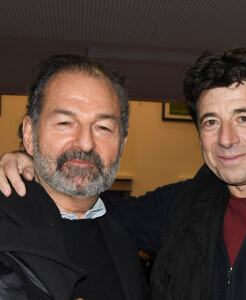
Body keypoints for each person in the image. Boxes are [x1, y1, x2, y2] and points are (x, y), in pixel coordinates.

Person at [1, 47, 246, 299]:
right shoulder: (182, 206)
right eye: (211, 122)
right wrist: (28, 162)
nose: (225, 138)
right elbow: (81, 206)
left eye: (243, 118)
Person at [0, 54, 145, 300]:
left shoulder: (124, 238)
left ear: (121, 144)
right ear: (29, 134)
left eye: (103, 128)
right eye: (66, 122)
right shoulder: (6, 228)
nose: (86, 143)